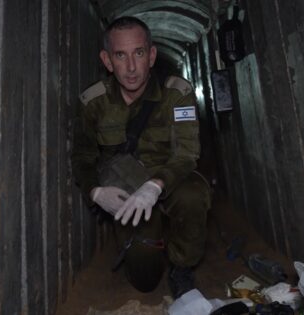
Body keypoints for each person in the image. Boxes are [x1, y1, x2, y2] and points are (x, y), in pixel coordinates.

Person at [71, 16, 211, 299]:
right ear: (107, 61)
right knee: (145, 279)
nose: (131, 67)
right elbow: (82, 157)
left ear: (152, 55)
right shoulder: (93, 102)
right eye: (120, 55)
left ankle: (182, 266)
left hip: (171, 179)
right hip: (126, 187)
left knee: (194, 196)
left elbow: (186, 154)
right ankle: (153, 237)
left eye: (139, 53)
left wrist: (155, 185)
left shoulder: (177, 94)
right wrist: (95, 192)